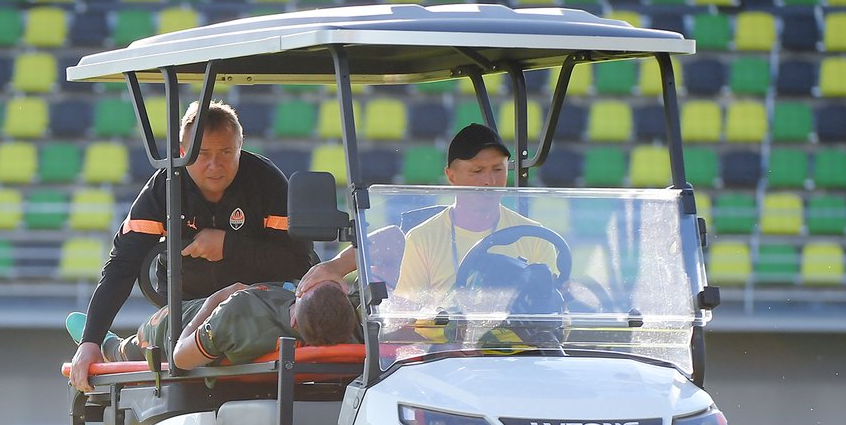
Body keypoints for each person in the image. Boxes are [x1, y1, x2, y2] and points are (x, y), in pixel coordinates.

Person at [69, 99, 315, 392]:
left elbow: (300, 263)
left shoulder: (268, 182)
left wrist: (229, 246)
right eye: (202, 154)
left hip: (254, 306)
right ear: (182, 152)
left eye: (226, 152)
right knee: (165, 330)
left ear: (240, 147)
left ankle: (120, 346)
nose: (214, 165)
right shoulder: (164, 188)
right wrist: (90, 342)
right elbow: (123, 265)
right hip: (187, 307)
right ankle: (112, 347)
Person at [296, 123, 557, 304]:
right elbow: (409, 318)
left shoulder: (535, 235)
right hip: (448, 363)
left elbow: (553, 308)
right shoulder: (422, 239)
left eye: (498, 170)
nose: (490, 181)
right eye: (477, 172)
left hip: (524, 354)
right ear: (451, 176)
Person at [67, 279, 359, 389]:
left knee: (133, 346)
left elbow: (180, 359)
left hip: (175, 326)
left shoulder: (240, 313)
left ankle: (109, 345)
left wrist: (215, 299)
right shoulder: (345, 329)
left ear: (295, 318)